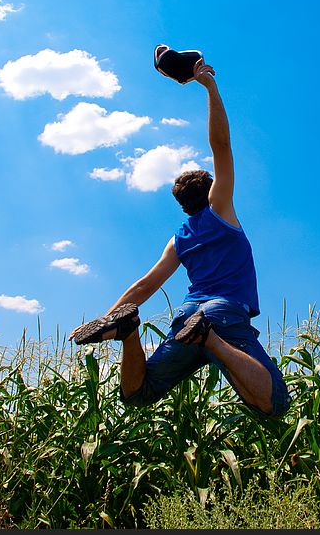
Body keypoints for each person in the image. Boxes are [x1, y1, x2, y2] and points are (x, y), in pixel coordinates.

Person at [69, 58, 290, 418]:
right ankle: (209, 339)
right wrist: (210, 87)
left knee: (138, 393)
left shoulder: (180, 238)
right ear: (210, 191)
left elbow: (145, 286)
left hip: (187, 314)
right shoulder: (221, 210)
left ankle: (129, 334)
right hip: (220, 315)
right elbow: (221, 146)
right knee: (275, 404)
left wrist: (109, 317)